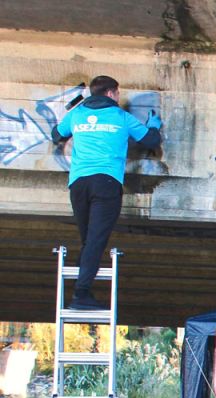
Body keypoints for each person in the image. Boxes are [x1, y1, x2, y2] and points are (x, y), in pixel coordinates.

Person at [51, 75, 163, 311]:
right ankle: (81, 294)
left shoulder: (77, 114)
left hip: (79, 184)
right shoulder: (121, 117)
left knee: (88, 238)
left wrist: (70, 112)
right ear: (111, 93)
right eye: (118, 93)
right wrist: (154, 123)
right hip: (107, 183)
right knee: (96, 239)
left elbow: (56, 135)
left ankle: (83, 281)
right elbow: (151, 140)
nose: (119, 96)